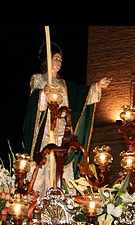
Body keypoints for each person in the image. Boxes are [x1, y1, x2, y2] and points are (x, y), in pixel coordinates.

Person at [23, 43, 112, 194]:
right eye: (56, 59)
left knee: (63, 159)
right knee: (45, 160)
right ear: (47, 60)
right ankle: (40, 196)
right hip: (45, 128)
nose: (59, 63)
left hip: (62, 128)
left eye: (60, 60)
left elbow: (81, 95)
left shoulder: (64, 84)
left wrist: (97, 86)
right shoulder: (38, 79)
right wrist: (43, 94)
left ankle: (65, 195)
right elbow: (34, 101)